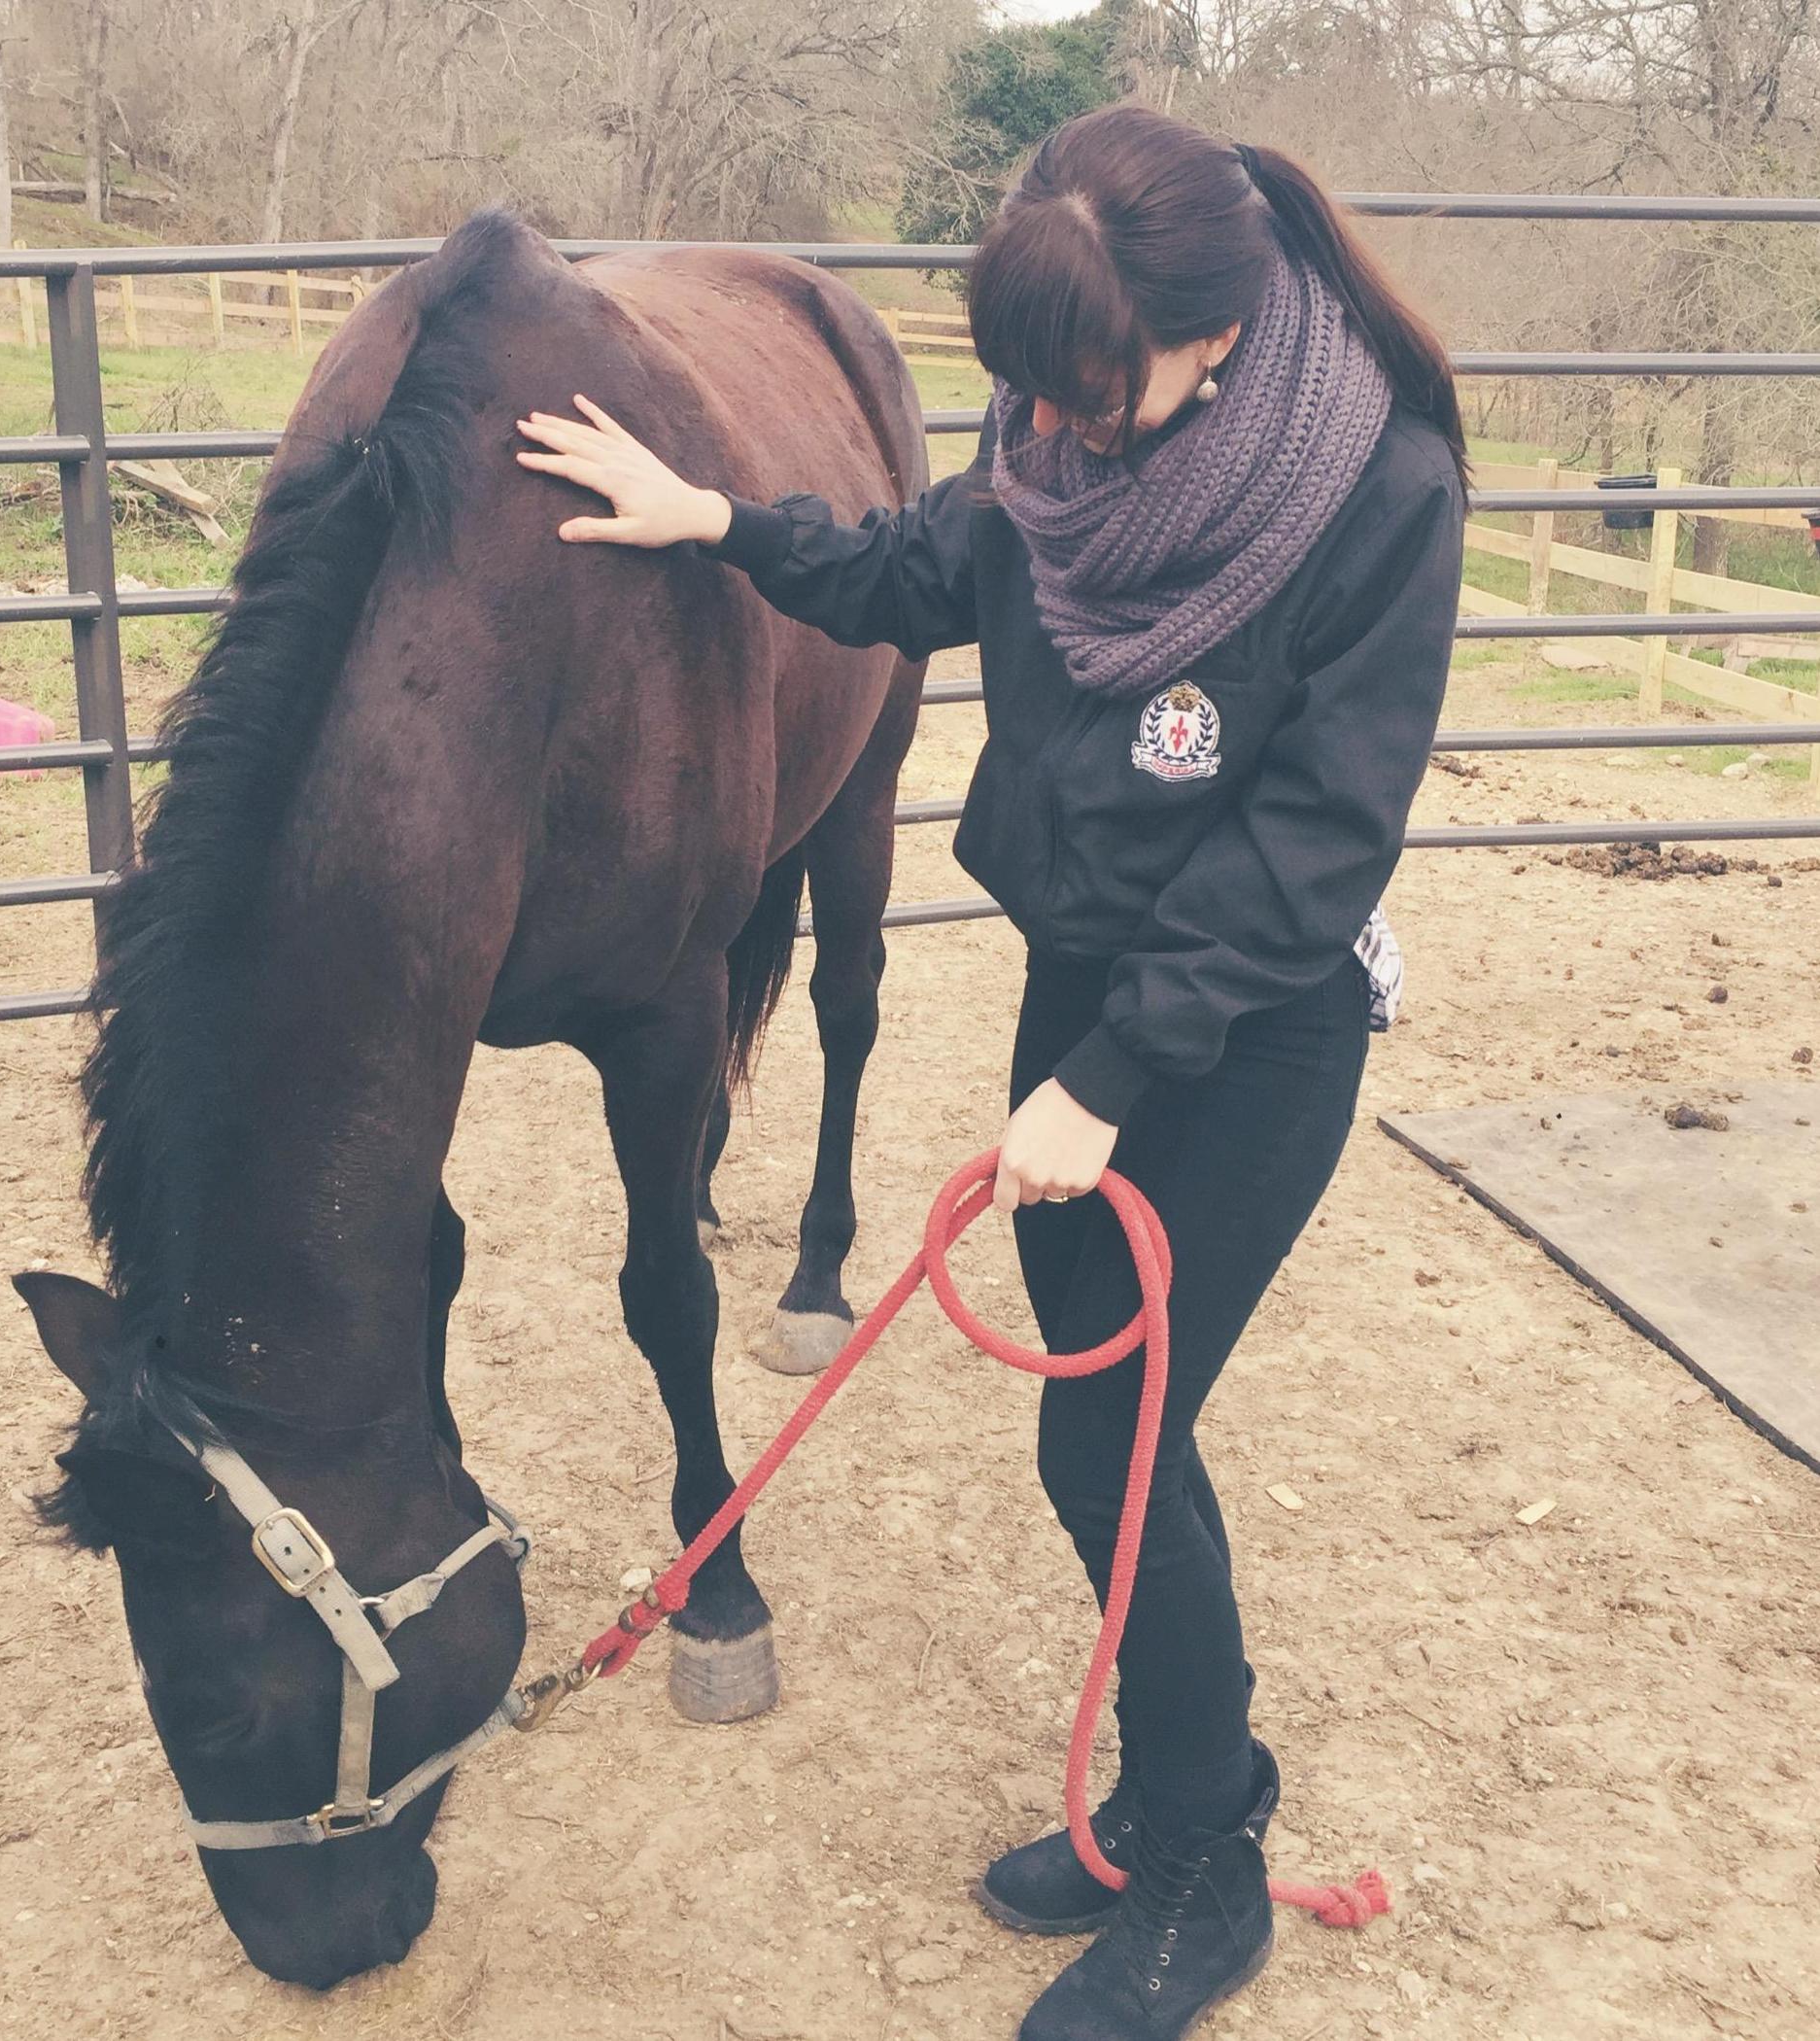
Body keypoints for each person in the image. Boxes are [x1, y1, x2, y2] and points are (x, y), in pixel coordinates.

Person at [514, 100, 1466, 2041]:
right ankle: (1151, 1814)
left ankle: (1207, 1856)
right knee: (1108, 1435)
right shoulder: (1058, 448)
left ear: (1216, 330)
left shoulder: (1378, 488)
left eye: (1096, 394)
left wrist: (1110, 1078)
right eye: (1033, 399)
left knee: (1107, 1436)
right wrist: (715, 520)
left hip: (1247, 1023)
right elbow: (921, 568)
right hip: (1094, 987)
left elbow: (1316, 845)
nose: (1060, 434)